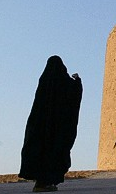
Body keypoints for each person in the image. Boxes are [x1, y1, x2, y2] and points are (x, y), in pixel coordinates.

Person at [19, 56, 83, 192]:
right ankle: (45, 183)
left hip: (39, 128)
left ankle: (40, 183)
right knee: (54, 152)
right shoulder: (63, 81)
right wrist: (78, 81)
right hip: (56, 130)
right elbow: (73, 95)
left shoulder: (44, 81)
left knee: (40, 152)